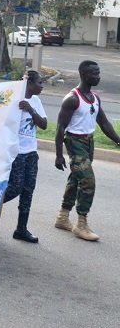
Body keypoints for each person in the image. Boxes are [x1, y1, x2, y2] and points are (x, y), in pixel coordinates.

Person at [54, 60, 120, 241]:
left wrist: (118, 141)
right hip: (75, 143)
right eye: (94, 74)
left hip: (88, 143)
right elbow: (60, 129)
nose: (98, 77)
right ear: (84, 75)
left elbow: (104, 123)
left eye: (98, 73)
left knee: (76, 180)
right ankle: (81, 224)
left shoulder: (94, 98)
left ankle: (62, 217)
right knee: (88, 181)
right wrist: (59, 155)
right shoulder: (72, 99)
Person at [2, 70, 47, 243]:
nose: (42, 86)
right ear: (29, 84)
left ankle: (21, 229)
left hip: (31, 153)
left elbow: (43, 124)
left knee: (28, 191)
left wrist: (31, 110)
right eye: (40, 83)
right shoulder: (13, 101)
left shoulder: (35, 101)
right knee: (15, 187)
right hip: (17, 153)